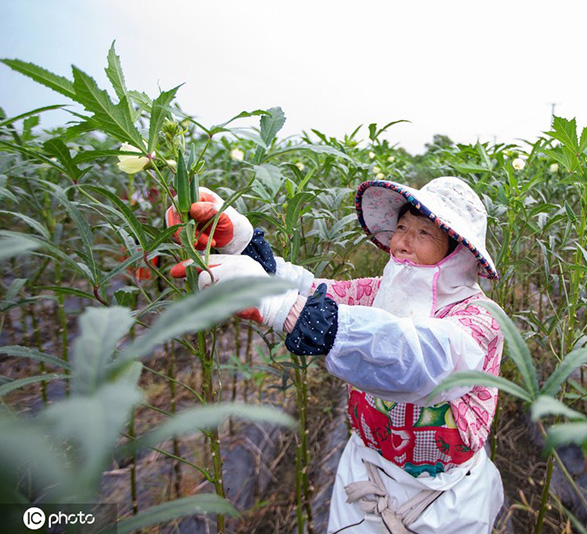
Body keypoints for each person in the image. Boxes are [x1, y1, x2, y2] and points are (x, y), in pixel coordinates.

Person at [167, 176, 505, 533]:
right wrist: (245, 245)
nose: (402, 242)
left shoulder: (480, 319)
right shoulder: (378, 290)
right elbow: (314, 291)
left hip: (444, 497)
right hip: (367, 467)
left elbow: (421, 361)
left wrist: (288, 310)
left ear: (457, 251)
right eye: (401, 227)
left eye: (424, 234)